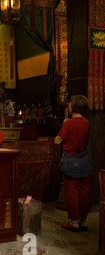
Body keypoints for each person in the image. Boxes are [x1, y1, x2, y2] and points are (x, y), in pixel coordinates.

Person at [54, 95, 92, 232]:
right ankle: (83, 220)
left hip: (71, 161)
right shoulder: (86, 123)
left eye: (70, 103)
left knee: (71, 192)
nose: (68, 105)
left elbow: (58, 140)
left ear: (74, 106)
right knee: (84, 192)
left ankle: (74, 222)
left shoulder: (68, 123)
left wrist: (63, 126)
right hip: (85, 161)